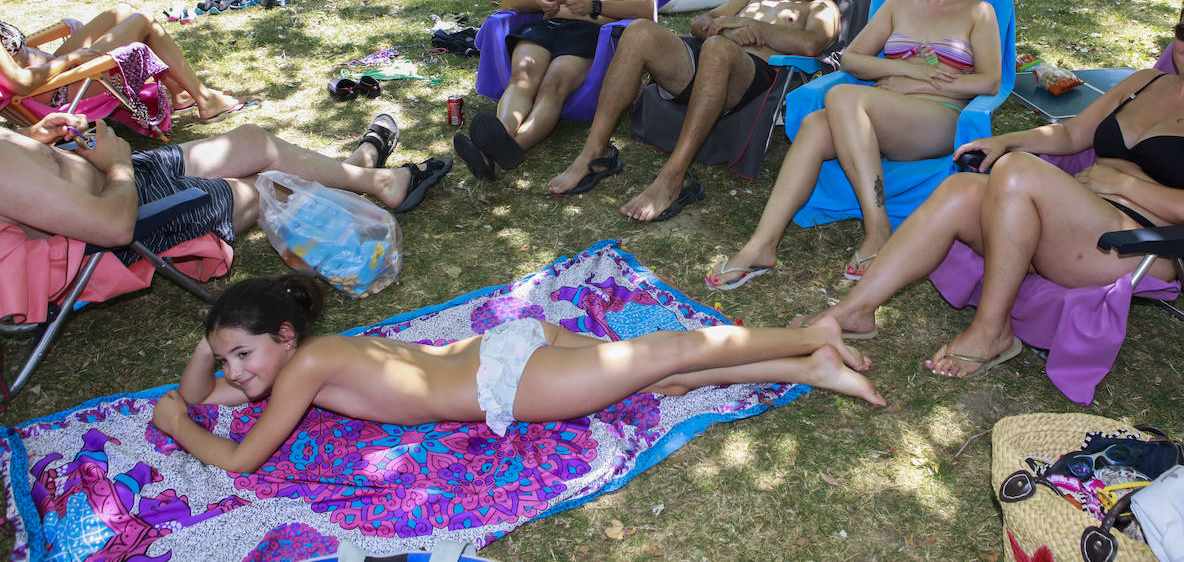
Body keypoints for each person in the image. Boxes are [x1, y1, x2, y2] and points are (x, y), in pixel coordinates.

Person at [792, 0, 1184, 378]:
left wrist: (1124, 185)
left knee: (1020, 172)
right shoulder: (1144, 82)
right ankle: (854, 310)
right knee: (962, 188)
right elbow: (1070, 134)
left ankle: (992, 331)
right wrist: (1006, 139)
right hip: (1076, 219)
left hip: (1136, 244)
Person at [149, 272, 883, 473]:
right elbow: (199, 390)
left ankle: (810, 333)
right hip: (507, 349)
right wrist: (211, 341)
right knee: (664, 375)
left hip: (504, 380)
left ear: (284, 337)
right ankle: (812, 367)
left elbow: (242, 458)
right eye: (227, 360)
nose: (235, 373)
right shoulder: (296, 362)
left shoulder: (304, 366)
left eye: (244, 355)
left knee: (668, 351)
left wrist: (179, 427)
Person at [708, 0, 1002, 290]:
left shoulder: (979, 13)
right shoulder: (899, 5)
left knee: (843, 97)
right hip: (885, 113)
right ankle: (761, 244)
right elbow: (852, 59)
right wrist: (903, 68)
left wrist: (916, 83)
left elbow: (989, 80)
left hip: (939, 118)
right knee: (817, 124)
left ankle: (878, 229)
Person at [548, 0, 841, 222]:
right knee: (638, 31)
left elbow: (812, 43)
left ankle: (673, 178)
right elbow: (700, 22)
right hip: (705, 60)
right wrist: (731, 25)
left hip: (749, 75)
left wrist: (752, 30)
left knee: (717, 46)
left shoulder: (822, 7)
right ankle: (593, 152)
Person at [0, 111, 451, 274]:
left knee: (254, 141)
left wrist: (34, 138)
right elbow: (112, 228)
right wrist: (116, 161)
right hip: (126, 220)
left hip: (124, 177)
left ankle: (373, 178)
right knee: (266, 189)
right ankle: (365, 168)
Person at [453, 0, 654, 179]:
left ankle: (505, 151)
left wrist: (595, 5)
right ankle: (500, 136)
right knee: (522, 76)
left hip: (589, 33)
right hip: (546, 26)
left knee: (553, 83)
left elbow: (645, 8)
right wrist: (537, 2)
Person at [1, 5, 249, 122]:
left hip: (53, 72)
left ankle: (182, 93)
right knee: (142, 21)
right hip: (58, 90)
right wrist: (74, 58)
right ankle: (204, 99)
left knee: (122, 12)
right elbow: (21, 83)